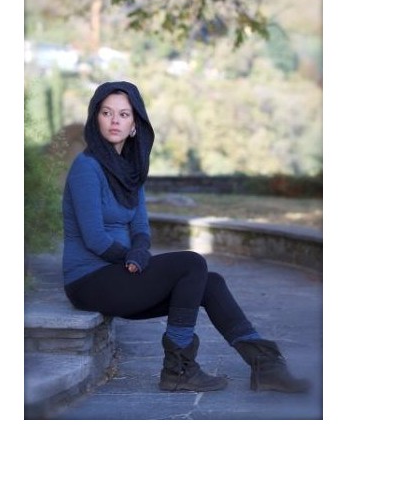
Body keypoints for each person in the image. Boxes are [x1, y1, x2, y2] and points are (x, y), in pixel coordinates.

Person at [62, 80, 310, 393]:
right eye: (106, 113)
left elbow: (140, 227)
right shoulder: (86, 167)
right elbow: (95, 238)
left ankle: (265, 364)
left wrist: (140, 250)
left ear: (135, 124)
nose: (114, 121)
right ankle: (178, 368)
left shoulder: (130, 171)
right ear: (95, 119)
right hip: (90, 281)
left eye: (123, 114)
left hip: (119, 273)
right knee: (191, 264)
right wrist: (132, 257)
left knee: (211, 283)